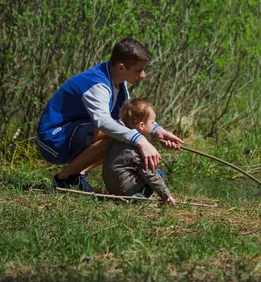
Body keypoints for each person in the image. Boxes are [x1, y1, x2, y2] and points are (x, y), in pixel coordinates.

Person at [35, 37, 184, 192]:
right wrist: (140, 140)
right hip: (53, 138)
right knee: (118, 134)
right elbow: (104, 123)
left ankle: (77, 173)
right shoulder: (98, 85)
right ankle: (64, 179)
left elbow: (130, 117)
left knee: (124, 132)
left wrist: (157, 131)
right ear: (121, 67)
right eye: (139, 70)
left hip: (74, 131)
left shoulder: (117, 79)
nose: (143, 75)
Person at [102, 98, 176, 205]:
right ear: (141, 125)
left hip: (111, 186)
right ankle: (137, 198)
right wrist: (166, 195)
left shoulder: (119, 137)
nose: (154, 125)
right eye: (152, 122)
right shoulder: (138, 149)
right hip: (123, 189)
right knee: (158, 173)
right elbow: (150, 174)